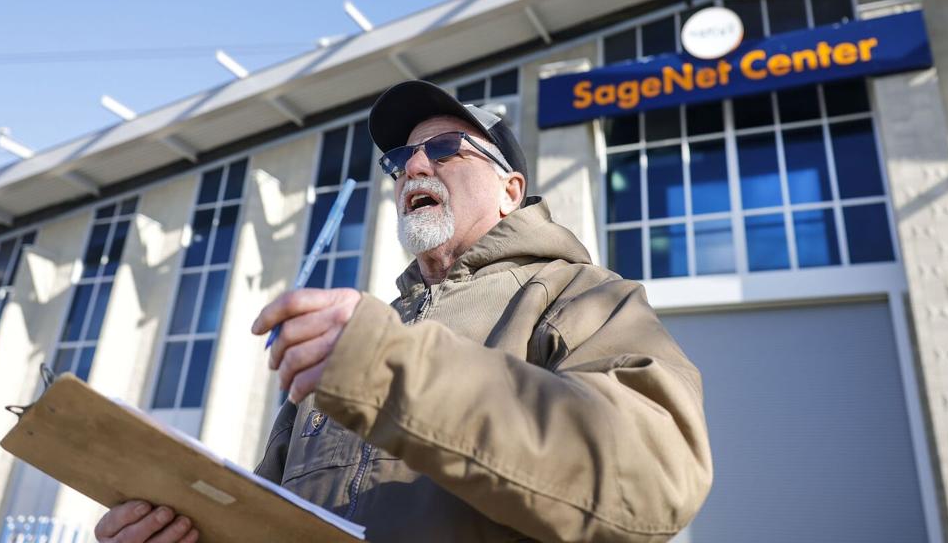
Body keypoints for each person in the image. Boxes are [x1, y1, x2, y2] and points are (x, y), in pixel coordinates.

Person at [95, 80, 712, 543]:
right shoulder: (360, 338)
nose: (413, 165)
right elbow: (271, 515)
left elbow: (655, 478)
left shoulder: (579, 297)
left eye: (445, 149)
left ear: (511, 191)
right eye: (400, 160)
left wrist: (393, 369)